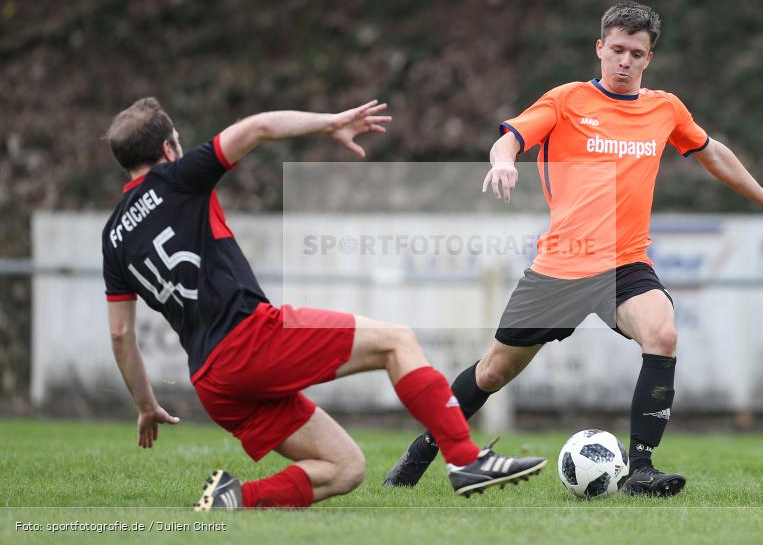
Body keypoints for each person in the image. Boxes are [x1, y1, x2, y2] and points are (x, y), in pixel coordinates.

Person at [384, 1, 763, 496]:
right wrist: (503, 161)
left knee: (663, 334)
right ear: (600, 48)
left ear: (649, 58)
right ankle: (421, 452)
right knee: (492, 372)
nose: (624, 61)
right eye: (617, 50)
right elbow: (510, 138)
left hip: (625, 263)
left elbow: (711, 152)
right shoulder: (566, 100)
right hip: (561, 267)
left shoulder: (665, 108)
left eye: (636, 53)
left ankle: (641, 470)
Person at [101, 97, 546, 510]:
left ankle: (227, 499)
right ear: (169, 147)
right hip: (250, 339)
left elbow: (121, 333)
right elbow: (258, 127)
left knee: (344, 468)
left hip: (212, 382)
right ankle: (465, 459)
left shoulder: (113, 237)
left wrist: (146, 405)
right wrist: (330, 123)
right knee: (396, 341)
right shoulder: (177, 178)